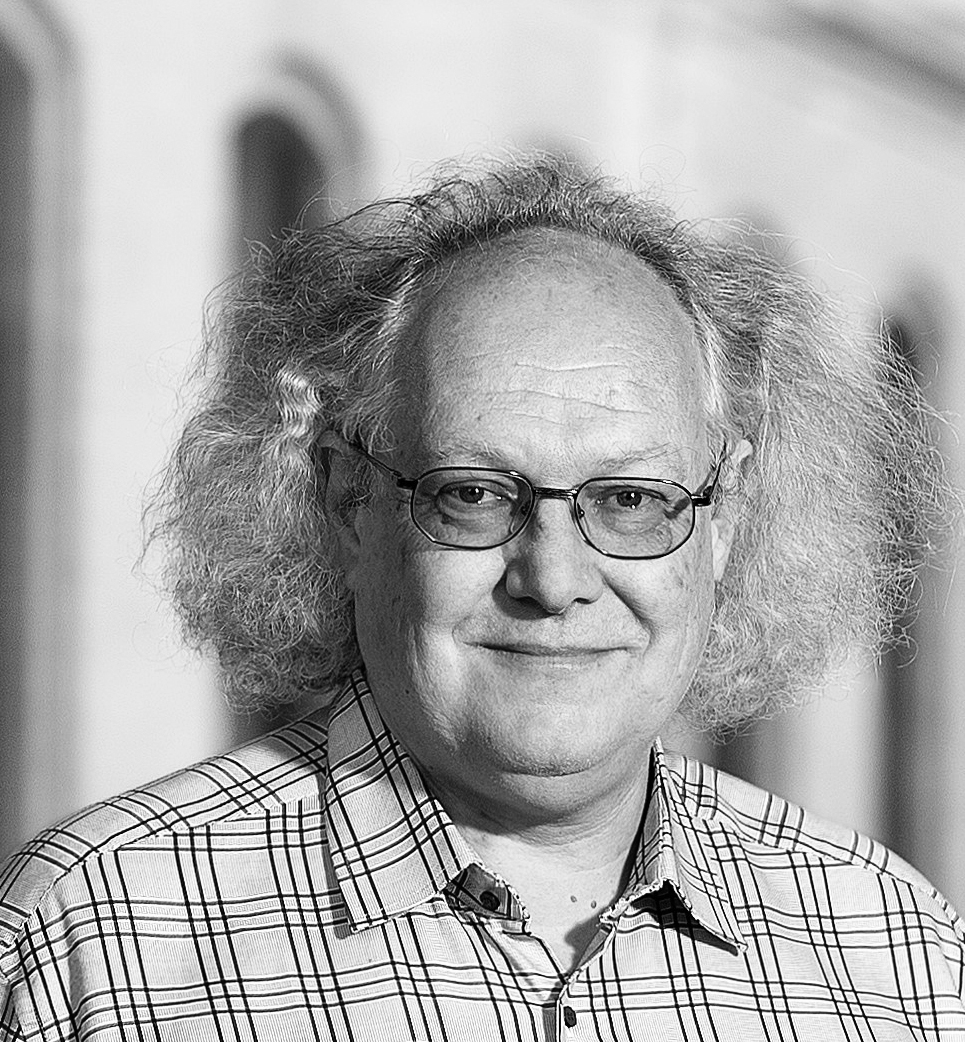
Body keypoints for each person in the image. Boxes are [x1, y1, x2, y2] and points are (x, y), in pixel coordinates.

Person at [1, 155, 962, 1040]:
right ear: (347, 499)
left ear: (728, 523)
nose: (551, 579)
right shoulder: (89, 938)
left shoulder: (892, 956)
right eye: (474, 495)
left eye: (630, 501)